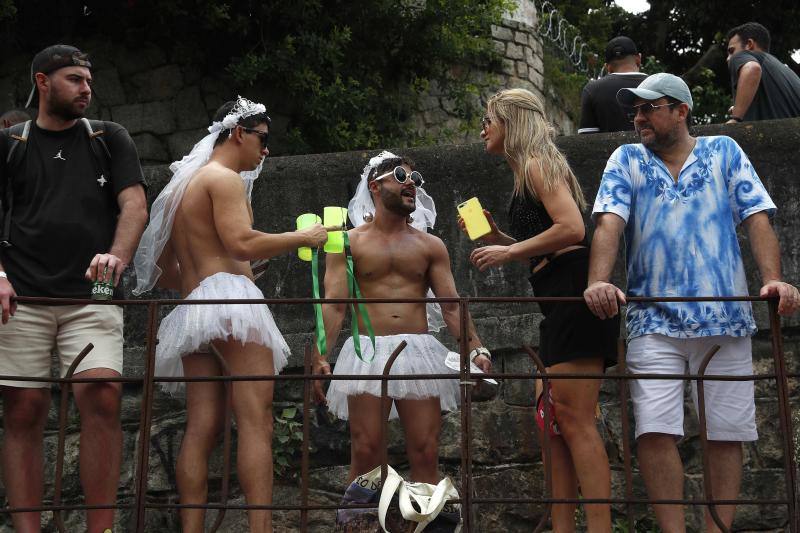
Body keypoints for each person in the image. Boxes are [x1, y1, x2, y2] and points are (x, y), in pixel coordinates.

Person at [585, 72, 800, 532]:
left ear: (681, 110)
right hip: (653, 319)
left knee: (726, 433)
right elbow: (608, 223)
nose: (638, 117)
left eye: (649, 107)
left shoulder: (724, 150)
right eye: (635, 110)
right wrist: (598, 282)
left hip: (725, 316)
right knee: (654, 430)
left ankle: (716, 530)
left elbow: (757, 216)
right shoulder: (626, 157)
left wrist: (774, 280)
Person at [132, 96, 327, 533]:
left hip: (193, 309)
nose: (266, 150)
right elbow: (241, 242)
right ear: (238, 133)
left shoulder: (185, 185)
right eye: (262, 138)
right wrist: (303, 236)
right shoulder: (224, 180)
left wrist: (219, 268)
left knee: (203, 426)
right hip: (231, 304)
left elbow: (164, 266)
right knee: (256, 420)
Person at [0, 44, 148, 532]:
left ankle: (101, 529)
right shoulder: (10, 144)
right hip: (22, 296)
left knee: (102, 393)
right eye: (73, 79)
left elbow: (134, 205)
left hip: (93, 292)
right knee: (23, 409)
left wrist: (118, 256)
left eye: (88, 79)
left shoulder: (110, 136)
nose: (87, 88)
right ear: (43, 82)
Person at [468, 88, 617, 531]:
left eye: (489, 119)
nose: (483, 129)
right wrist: (500, 238)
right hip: (556, 299)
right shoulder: (528, 169)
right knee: (554, 419)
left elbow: (571, 229)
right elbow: (551, 242)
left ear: (511, 122)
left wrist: (508, 256)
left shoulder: (536, 163)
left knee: (575, 420)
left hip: (573, 296)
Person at [312, 151, 492, 489]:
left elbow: (451, 306)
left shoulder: (431, 245)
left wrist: (477, 350)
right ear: (374, 186)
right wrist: (320, 355)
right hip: (367, 353)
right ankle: (359, 528)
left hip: (417, 350)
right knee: (366, 451)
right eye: (400, 175)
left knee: (425, 450)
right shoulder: (347, 243)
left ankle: (426, 523)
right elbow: (334, 305)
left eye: (415, 178)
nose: (411, 182)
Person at [726, 22, 800, 123]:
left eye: (731, 51)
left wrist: (736, 118)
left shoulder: (741, 57)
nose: (728, 58)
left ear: (749, 44)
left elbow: (752, 68)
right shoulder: (788, 73)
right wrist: (741, 106)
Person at [578, 36, 647, 134]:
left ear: (608, 68)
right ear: (638, 59)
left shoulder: (592, 90)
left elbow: (586, 138)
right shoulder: (658, 85)